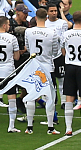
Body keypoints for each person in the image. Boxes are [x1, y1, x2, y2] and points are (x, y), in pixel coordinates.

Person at [24, 7, 61, 135]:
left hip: (33, 67)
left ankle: (29, 127)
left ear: (35, 18)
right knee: (49, 96)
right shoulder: (52, 32)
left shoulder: (28, 32)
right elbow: (56, 51)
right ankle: (50, 127)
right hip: (47, 67)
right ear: (46, 18)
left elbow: (28, 48)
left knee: (31, 95)